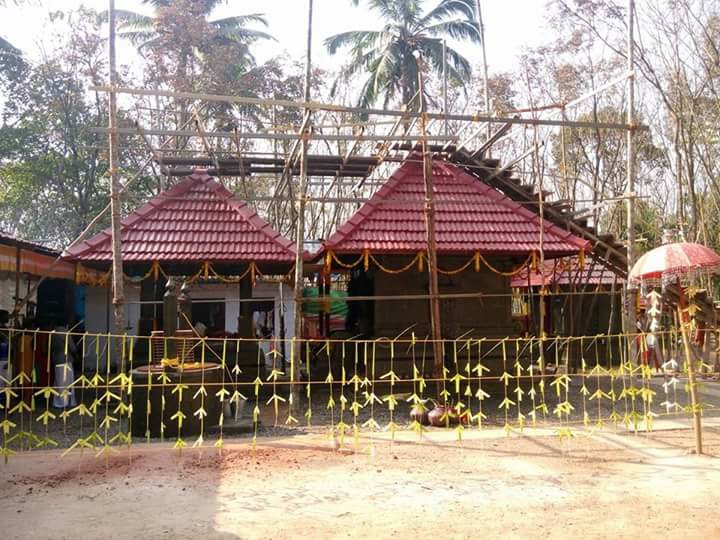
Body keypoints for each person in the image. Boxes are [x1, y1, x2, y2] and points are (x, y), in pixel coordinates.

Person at [50, 321, 77, 409]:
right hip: (66, 359)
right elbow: (72, 347)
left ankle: (59, 402)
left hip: (57, 359)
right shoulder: (65, 332)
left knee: (59, 382)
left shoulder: (52, 333)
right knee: (68, 381)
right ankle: (66, 402)